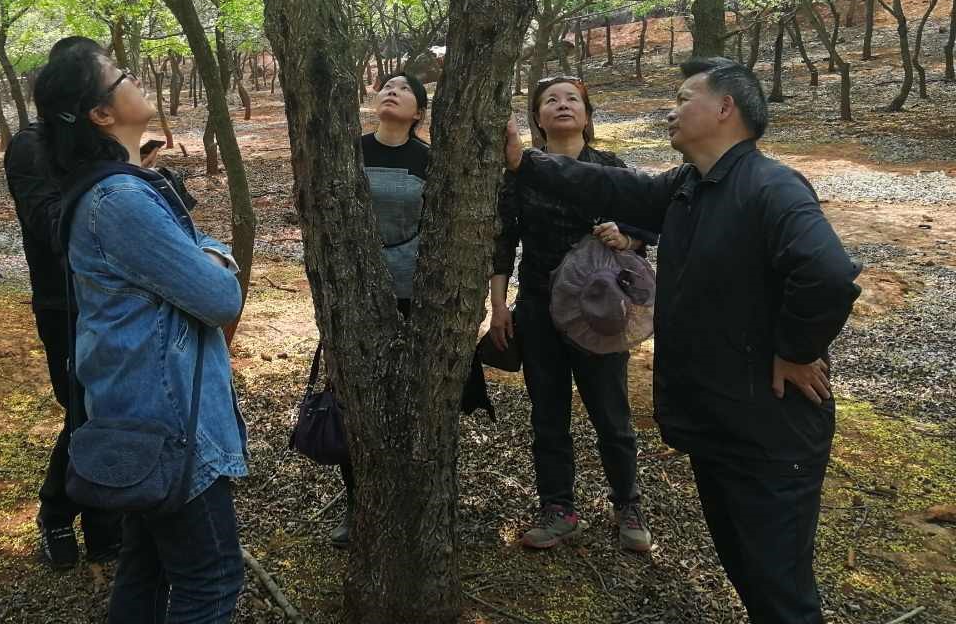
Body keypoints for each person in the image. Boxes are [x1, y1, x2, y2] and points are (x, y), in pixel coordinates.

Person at [504, 58, 861, 624]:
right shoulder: (689, 186)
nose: (671, 110)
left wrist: (796, 349)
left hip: (770, 427)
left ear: (725, 108)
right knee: (746, 567)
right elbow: (610, 185)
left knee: (779, 584)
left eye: (684, 98)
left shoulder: (770, 185)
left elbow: (829, 274)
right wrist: (525, 162)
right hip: (720, 418)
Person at [34, 43, 246, 624]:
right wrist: (216, 257)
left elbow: (189, 264)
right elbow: (220, 298)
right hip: (167, 420)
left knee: (146, 569)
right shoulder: (120, 199)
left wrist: (198, 254)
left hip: (141, 412)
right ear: (101, 113)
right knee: (212, 580)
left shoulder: (122, 187)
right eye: (120, 75)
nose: (135, 78)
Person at [489, 76, 655, 552]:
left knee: (612, 413)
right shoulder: (519, 172)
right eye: (550, 100)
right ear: (537, 119)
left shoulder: (610, 168)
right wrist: (498, 305)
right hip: (539, 307)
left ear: (587, 114)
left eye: (572, 99)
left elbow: (646, 227)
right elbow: (503, 242)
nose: (562, 105)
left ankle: (627, 505)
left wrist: (627, 238)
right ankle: (558, 509)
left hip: (602, 312)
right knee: (548, 413)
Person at [3, 36, 121, 569]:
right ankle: (55, 511)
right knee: (83, 410)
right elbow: (52, 226)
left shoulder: (101, 142)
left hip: (111, 299)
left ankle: (103, 527)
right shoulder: (31, 146)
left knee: (107, 408)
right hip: (64, 303)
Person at [326, 73, 432, 546]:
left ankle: (416, 505)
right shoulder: (348, 152)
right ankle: (358, 504)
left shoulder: (429, 160)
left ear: (419, 112)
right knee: (355, 400)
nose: (392, 90)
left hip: (411, 292)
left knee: (410, 400)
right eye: (387, 85)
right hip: (355, 291)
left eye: (405, 89)